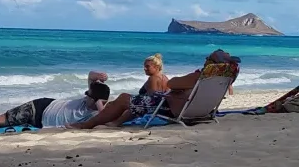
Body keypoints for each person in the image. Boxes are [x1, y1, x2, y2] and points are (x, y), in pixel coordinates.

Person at [71, 50, 239, 129]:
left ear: (211, 62)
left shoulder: (200, 76)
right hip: (200, 111)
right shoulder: (223, 78)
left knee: (123, 98)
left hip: (174, 108)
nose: (205, 60)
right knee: (130, 101)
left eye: (207, 58)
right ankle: (114, 122)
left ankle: (87, 124)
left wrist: (180, 87)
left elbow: (173, 84)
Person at [0, 72, 111, 130]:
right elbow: (91, 75)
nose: (85, 97)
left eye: (88, 96)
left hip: (40, 123)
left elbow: (104, 118)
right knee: (0, 120)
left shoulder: (96, 115)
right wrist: (99, 75)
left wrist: (99, 104)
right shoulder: (88, 100)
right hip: (41, 107)